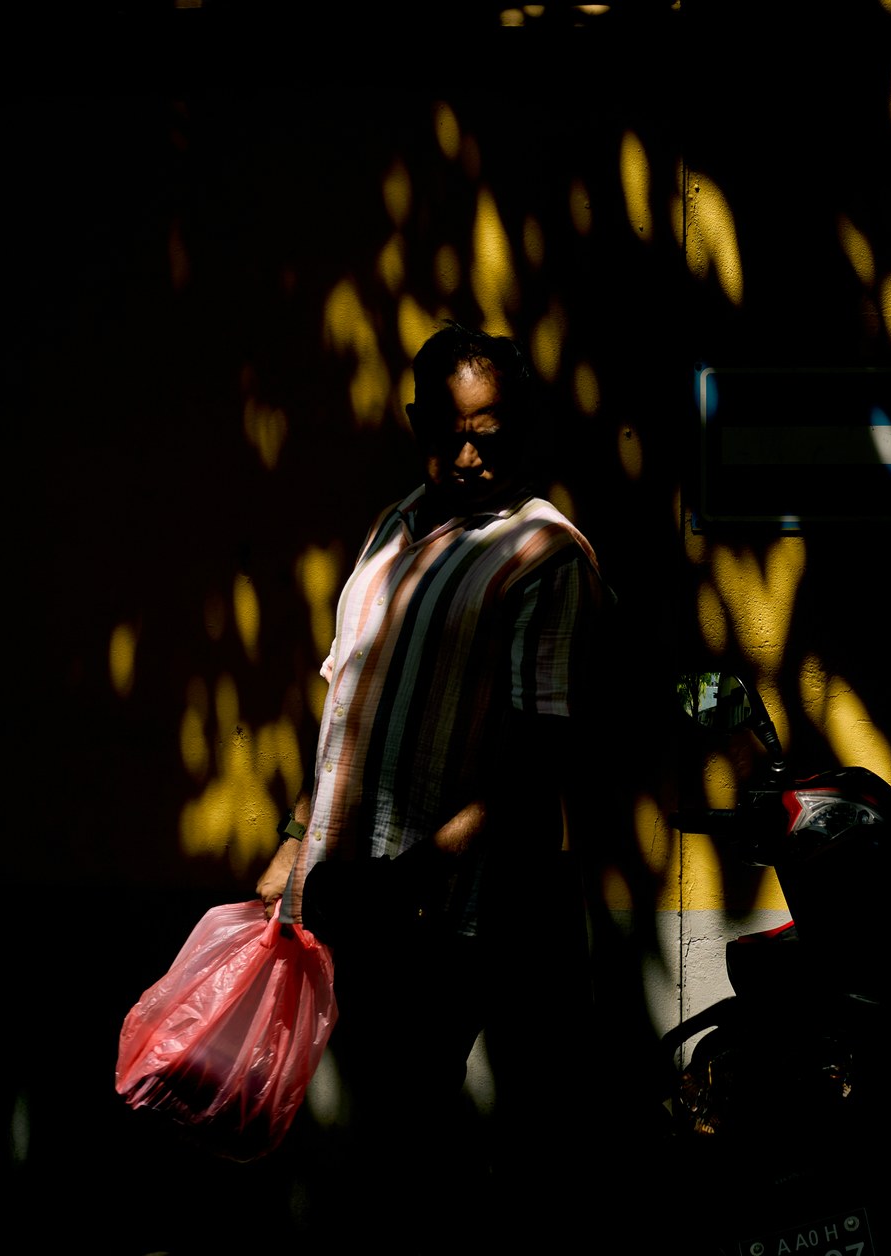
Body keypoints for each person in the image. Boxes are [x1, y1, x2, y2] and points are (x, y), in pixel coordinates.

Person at [253, 322, 605, 1249]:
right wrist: (297, 836)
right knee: (386, 1128)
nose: (469, 455)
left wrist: (417, 872)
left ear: (518, 429)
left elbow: (541, 751)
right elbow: (344, 701)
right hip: (353, 893)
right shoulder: (396, 523)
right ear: (417, 425)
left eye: (490, 435)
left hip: (454, 913)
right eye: (449, 432)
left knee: (421, 1141)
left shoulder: (543, 554)